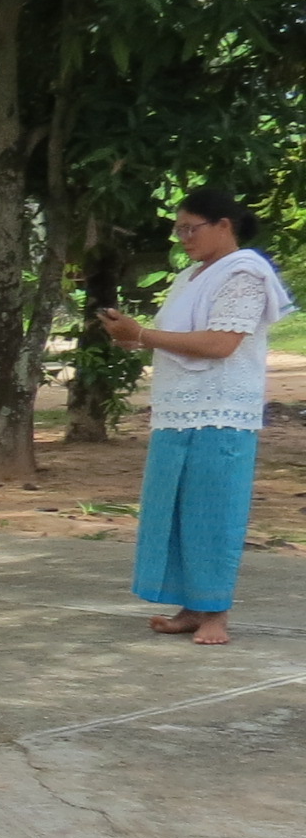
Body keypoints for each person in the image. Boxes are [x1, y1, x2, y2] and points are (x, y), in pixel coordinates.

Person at [101, 187, 297, 646]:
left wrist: (143, 335)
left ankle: (215, 613)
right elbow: (175, 338)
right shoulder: (190, 276)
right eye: (179, 230)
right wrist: (134, 336)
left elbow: (221, 343)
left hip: (221, 412)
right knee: (173, 510)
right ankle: (190, 608)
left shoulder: (245, 272)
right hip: (177, 410)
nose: (183, 238)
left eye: (191, 228)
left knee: (213, 510)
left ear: (223, 226)